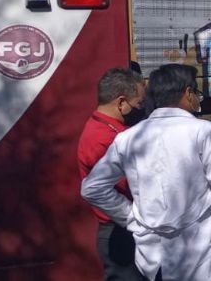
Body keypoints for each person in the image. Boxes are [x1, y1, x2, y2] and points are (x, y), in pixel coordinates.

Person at [82, 64, 211, 281]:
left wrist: (132, 218)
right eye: (197, 93)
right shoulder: (203, 131)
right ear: (188, 93)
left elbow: (93, 187)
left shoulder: (128, 138)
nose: (198, 99)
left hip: (154, 260)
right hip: (204, 258)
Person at [77, 68, 147, 281]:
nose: (141, 109)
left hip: (123, 230)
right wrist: (133, 218)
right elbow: (120, 186)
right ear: (121, 103)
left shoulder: (108, 130)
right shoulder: (104, 138)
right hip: (121, 232)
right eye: (139, 104)